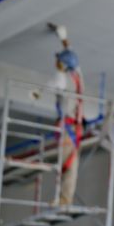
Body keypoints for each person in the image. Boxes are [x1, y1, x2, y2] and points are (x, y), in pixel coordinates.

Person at [30, 24, 84, 205]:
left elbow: (52, 83)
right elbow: (71, 54)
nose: (56, 62)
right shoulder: (77, 73)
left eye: (59, 60)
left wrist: (37, 92)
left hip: (67, 127)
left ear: (62, 64)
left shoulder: (62, 77)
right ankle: (65, 197)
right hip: (75, 126)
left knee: (66, 164)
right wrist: (63, 39)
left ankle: (64, 198)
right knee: (70, 162)